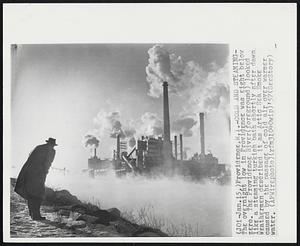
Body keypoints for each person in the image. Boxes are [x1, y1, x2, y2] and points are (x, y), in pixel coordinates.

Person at [14, 137, 57, 220]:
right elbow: (47, 163)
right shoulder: (51, 151)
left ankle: (32, 214)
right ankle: (36, 215)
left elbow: (30, 159)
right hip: (39, 175)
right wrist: (45, 171)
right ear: (52, 145)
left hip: (29, 173)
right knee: (39, 195)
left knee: (31, 194)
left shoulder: (38, 147)